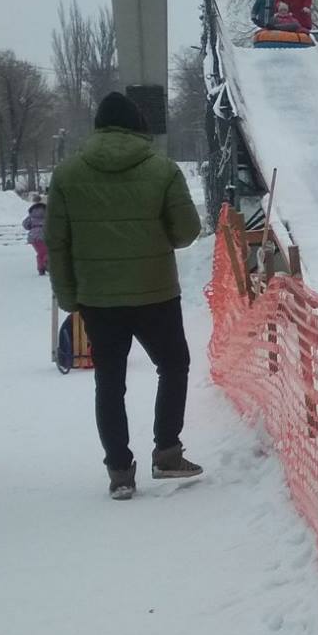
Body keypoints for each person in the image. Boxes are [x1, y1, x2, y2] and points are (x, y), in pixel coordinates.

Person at [47, 94, 204, 500]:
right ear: (137, 126)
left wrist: (68, 295)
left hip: (98, 298)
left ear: (98, 126)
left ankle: (119, 471)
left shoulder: (67, 175)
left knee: (109, 380)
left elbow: (57, 242)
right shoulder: (163, 170)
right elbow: (187, 231)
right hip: (155, 292)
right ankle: (167, 452)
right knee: (173, 365)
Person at [24, 195, 48, 276]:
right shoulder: (47, 214)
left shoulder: (31, 215)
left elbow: (25, 224)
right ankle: (47, 264)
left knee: (40, 253)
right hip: (44, 234)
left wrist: (32, 227)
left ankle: (41, 268)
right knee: (46, 252)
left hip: (33, 236)